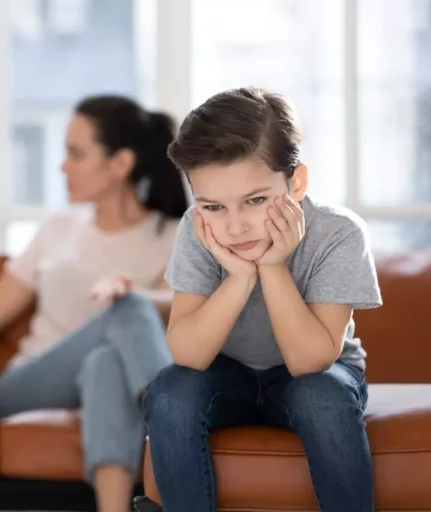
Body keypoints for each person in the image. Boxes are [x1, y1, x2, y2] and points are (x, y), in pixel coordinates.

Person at [142, 87, 382, 512]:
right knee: (168, 391)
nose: (235, 228)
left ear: (297, 182)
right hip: (226, 375)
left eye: (255, 200)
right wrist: (238, 276)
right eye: (214, 206)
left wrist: (273, 268)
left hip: (315, 376)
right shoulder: (198, 230)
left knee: (321, 396)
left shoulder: (339, 233)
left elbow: (310, 362)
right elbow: (189, 355)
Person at [0, 95, 189, 512]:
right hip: (28, 386)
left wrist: (135, 296)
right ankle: (178, 423)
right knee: (126, 311)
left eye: (76, 154)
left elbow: (187, 306)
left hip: (107, 379)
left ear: (120, 164)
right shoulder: (58, 227)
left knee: (105, 363)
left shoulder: (172, 236)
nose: (62, 166)